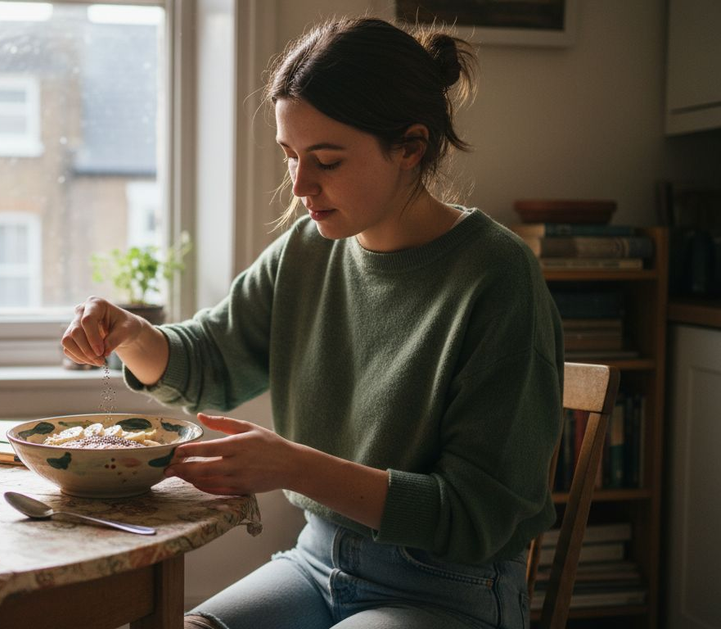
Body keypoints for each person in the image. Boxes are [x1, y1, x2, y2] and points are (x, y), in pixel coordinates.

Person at [62, 15, 562, 629]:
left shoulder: (497, 276)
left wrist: (295, 466)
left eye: (326, 160)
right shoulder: (307, 251)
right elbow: (210, 363)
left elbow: (475, 513)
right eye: (290, 155)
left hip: (447, 587)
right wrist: (132, 334)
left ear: (411, 146)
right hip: (316, 562)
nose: (300, 185)